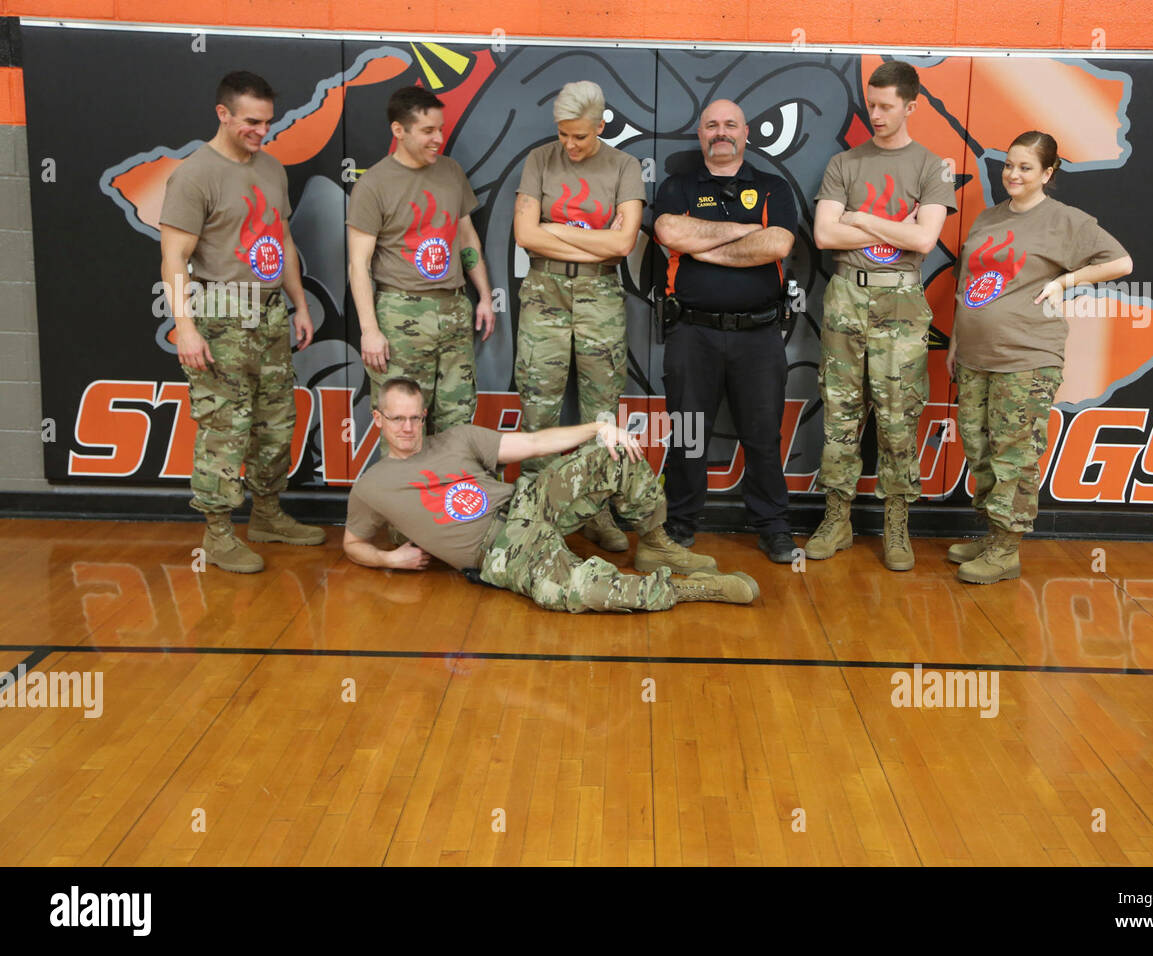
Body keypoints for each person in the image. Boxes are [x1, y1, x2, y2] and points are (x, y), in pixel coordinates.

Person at [342, 378, 759, 612]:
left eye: (416, 417)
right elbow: (352, 543)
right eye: (397, 418)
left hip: (526, 501)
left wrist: (599, 429)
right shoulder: (372, 486)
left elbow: (538, 443)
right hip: (502, 552)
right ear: (378, 418)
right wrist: (388, 558)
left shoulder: (458, 438)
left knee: (613, 453)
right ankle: (691, 589)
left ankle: (655, 543)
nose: (408, 427)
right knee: (583, 593)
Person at [946, 130, 1132, 583]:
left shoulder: (1065, 221)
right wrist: (955, 343)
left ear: (1048, 174)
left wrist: (1065, 282)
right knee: (981, 449)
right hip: (974, 354)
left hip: (1027, 356)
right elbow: (967, 288)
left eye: (1026, 167)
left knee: (1016, 454)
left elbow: (1121, 262)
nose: (1013, 173)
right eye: (1009, 164)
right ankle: (994, 533)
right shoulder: (987, 218)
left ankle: (1008, 549)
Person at [159, 70, 325, 574]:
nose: (262, 130)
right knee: (224, 430)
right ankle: (217, 533)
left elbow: (285, 242)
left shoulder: (272, 169)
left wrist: (298, 304)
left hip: (271, 315)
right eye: (251, 121)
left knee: (275, 425)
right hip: (220, 314)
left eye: (268, 121)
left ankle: (268, 515)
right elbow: (173, 258)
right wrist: (184, 327)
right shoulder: (194, 174)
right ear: (223, 114)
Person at [806, 61, 957, 571]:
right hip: (847, 294)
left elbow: (923, 240)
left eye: (887, 106)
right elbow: (826, 236)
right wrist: (896, 226)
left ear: (911, 106)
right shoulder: (843, 163)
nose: (876, 114)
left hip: (902, 301)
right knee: (842, 414)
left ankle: (896, 523)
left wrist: (862, 218)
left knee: (898, 418)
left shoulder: (931, 166)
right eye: (871, 104)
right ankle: (837, 517)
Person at [653, 99, 798, 564]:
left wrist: (706, 244)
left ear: (745, 133)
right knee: (688, 434)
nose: (721, 132)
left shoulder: (773, 187)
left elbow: (777, 242)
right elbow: (671, 232)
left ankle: (773, 527)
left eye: (730, 125)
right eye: (712, 125)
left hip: (759, 335)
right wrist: (744, 233)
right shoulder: (677, 186)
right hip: (692, 333)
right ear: (700, 134)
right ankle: (680, 523)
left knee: (762, 434)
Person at [512, 80, 646, 556]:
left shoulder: (624, 166)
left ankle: (595, 510)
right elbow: (525, 235)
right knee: (538, 406)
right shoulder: (539, 161)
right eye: (563, 134)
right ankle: (534, 511)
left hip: (601, 296)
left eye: (580, 136)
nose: (569, 145)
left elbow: (622, 244)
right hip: (544, 292)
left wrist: (555, 228)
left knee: (602, 412)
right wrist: (586, 238)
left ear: (601, 126)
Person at [347, 86, 494, 454]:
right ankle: (401, 511)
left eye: (440, 129)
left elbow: (466, 238)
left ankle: (446, 510)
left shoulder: (450, 172)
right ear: (399, 130)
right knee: (403, 431)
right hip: (400, 318)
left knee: (458, 424)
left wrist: (485, 297)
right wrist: (369, 330)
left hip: (454, 314)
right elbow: (358, 264)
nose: (438, 139)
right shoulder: (374, 185)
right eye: (428, 131)